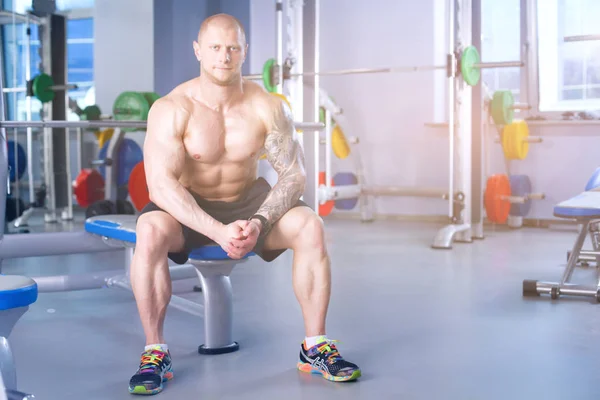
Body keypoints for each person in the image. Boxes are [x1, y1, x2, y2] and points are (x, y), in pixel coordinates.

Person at [127, 13, 361, 395]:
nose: (225, 56)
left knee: (310, 226)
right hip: (188, 206)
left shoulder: (267, 107)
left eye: (233, 47)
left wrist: (257, 221)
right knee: (149, 230)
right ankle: (155, 351)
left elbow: (293, 174)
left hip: (249, 202)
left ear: (245, 51)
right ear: (198, 51)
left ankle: (315, 346)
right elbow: (161, 187)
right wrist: (217, 231)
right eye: (216, 48)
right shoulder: (172, 107)